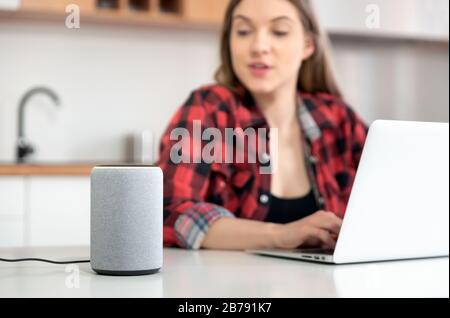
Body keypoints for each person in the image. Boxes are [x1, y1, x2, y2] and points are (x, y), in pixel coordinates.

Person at [157, 0, 368, 251]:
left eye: (279, 32)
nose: (258, 47)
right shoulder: (210, 109)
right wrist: (282, 235)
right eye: (243, 32)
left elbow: (394, 201)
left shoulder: (337, 118)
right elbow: (167, 211)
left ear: (308, 45)